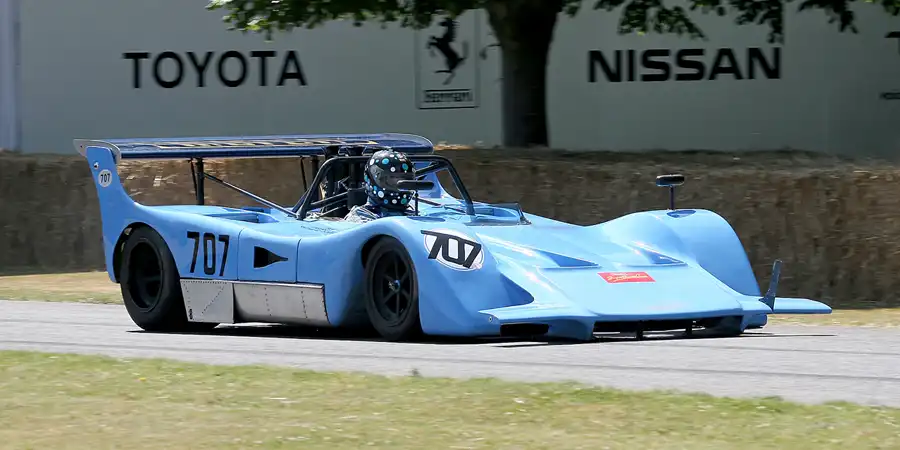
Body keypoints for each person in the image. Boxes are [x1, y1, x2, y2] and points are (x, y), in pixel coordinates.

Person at [343, 148, 417, 223]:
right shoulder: (360, 217)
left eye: (405, 179)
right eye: (392, 178)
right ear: (371, 180)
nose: (399, 185)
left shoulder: (413, 213)